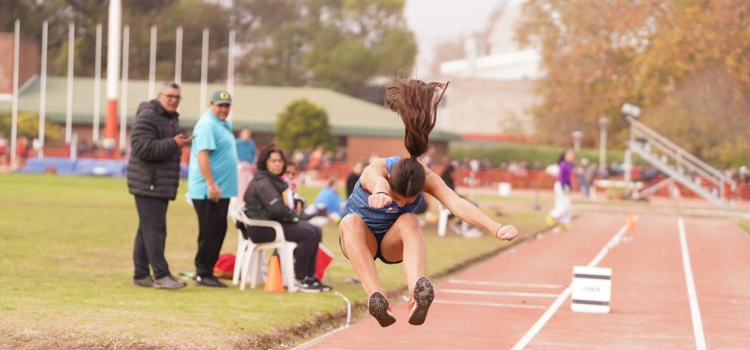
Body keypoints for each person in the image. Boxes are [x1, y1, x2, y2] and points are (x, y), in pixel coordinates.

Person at [340, 77, 518, 328]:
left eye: (409, 199)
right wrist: (381, 192)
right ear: (390, 179)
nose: (400, 204)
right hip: (362, 241)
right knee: (350, 221)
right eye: (397, 198)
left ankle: (417, 295)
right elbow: (375, 181)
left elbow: (457, 204)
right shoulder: (378, 170)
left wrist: (496, 227)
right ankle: (376, 297)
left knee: (409, 219)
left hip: (392, 244)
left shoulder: (428, 178)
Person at [127, 81, 192, 289]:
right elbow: (142, 147)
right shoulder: (148, 116)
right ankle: (162, 275)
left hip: (158, 184)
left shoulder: (170, 118)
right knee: (155, 230)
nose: (173, 100)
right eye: (169, 96)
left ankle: (141, 275)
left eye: (177, 97)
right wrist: (173, 143)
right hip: (149, 184)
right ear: (159, 95)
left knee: (146, 230)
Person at [243, 144, 332, 293]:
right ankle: (300, 278)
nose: (278, 164)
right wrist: (296, 219)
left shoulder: (273, 179)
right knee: (308, 233)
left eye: (280, 161)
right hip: (263, 228)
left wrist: (297, 207)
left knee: (315, 230)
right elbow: (277, 208)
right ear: (265, 162)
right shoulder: (263, 182)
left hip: (273, 223)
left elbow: (285, 203)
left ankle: (310, 277)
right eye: (273, 161)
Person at [188, 89, 239, 288]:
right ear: (211, 105)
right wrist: (211, 183)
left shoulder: (223, 125)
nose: (223, 109)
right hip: (209, 190)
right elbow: (202, 156)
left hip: (221, 190)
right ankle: (203, 272)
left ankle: (207, 270)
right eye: (220, 105)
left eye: (226, 106)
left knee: (218, 229)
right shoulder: (208, 124)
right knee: (209, 231)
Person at [547, 149, 575, 230]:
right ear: (565, 156)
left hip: (565, 185)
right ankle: (552, 216)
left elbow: (568, 178)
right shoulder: (563, 164)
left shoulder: (569, 165)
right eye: (570, 155)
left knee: (568, 205)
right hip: (561, 185)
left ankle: (564, 223)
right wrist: (563, 186)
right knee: (564, 204)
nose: (572, 157)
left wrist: (570, 186)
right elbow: (562, 176)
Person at [235, 128, 257, 203]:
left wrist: (252, 163)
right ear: (241, 134)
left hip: (249, 167)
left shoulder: (251, 143)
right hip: (239, 167)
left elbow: (254, 154)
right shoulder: (237, 143)